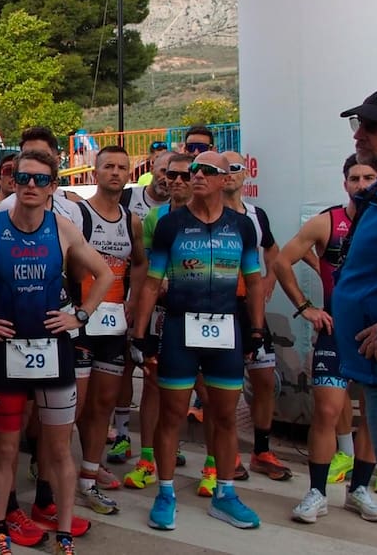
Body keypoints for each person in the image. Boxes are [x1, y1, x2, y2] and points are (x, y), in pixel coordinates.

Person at [0, 148, 113, 555]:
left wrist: (81, 315)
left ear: (54, 187)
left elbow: (106, 272)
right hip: (7, 351)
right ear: (12, 182)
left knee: (58, 448)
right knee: (5, 449)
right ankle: (0, 530)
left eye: (41, 180)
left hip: (54, 350)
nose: (32, 187)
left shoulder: (62, 228)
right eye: (24, 179)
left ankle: (63, 535)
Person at [133, 151, 265, 531]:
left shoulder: (242, 226)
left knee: (223, 415)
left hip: (226, 328)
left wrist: (256, 330)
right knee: (171, 414)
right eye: (195, 170)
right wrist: (140, 335)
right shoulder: (171, 225)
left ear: (225, 180)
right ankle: (166, 490)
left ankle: (225, 493)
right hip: (179, 329)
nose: (199, 176)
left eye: (209, 171)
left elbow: (254, 281)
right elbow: (152, 283)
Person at [276, 153, 377, 522]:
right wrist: (306, 307)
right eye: (355, 178)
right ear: (345, 182)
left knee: (370, 415)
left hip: (372, 335)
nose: (362, 185)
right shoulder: (327, 222)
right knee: (327, 411)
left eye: (369, 177)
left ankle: (360, 489)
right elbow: (281, 259)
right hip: (335, 332)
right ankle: (316, 492)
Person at [71, 146, 147, 516]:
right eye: (108, 167)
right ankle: (50, 472)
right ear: (94, 173)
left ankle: (88, 475)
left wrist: (132, 303)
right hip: (81, 321)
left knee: (103, 403)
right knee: (75, 405)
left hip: (114, 321)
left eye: (122, 167)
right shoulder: (79, 214)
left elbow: (140, 262)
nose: (115, 173)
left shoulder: (131, 220)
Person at [121, 153, 194, 491]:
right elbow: (145, 268)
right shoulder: (154, 217)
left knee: (202, 387)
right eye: (170, 175)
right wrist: (138, 316)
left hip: (199, 313)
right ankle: (148, 458)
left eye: (184, 176)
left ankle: (213, 464)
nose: (175, 182)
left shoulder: (218, 217)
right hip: (162, 311)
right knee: (152, 382)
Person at [221, 149, 291, 482]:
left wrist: (268, 281)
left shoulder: (256, 215)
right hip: (223, 309)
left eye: (236, 168)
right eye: (225, 169)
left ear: (246, 173)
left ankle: (261, 450)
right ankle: (228, 452)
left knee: (264, 380)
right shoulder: (211, 212)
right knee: (228, 386)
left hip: (254, 309)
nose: (231, 174)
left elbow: (274, 251)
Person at [331, 91, 377, 514]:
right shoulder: (375, 198)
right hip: (367, 363)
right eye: (357, 125)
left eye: (371, 127)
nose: (359, 135)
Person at [0, 127, 83, 226]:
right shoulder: (4, 208)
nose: (34, 162)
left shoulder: (72, 210)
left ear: (57, 161)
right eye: (27, 156)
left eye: (42, 156)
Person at [121, 151, 171, 221]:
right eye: (163, 171)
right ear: (152, 169)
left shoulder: (182, 206)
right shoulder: (126, 196)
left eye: (171, 174)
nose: (166, 179)